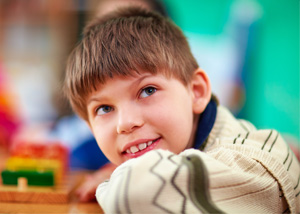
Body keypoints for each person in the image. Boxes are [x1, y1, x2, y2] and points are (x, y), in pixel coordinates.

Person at [64, 6, 300, 213]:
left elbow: (133, 194)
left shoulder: (251, 161)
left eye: (147, 91)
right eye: (104, 108)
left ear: (196, 92)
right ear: (89, 126)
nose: (125, 123)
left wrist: (113, 180)